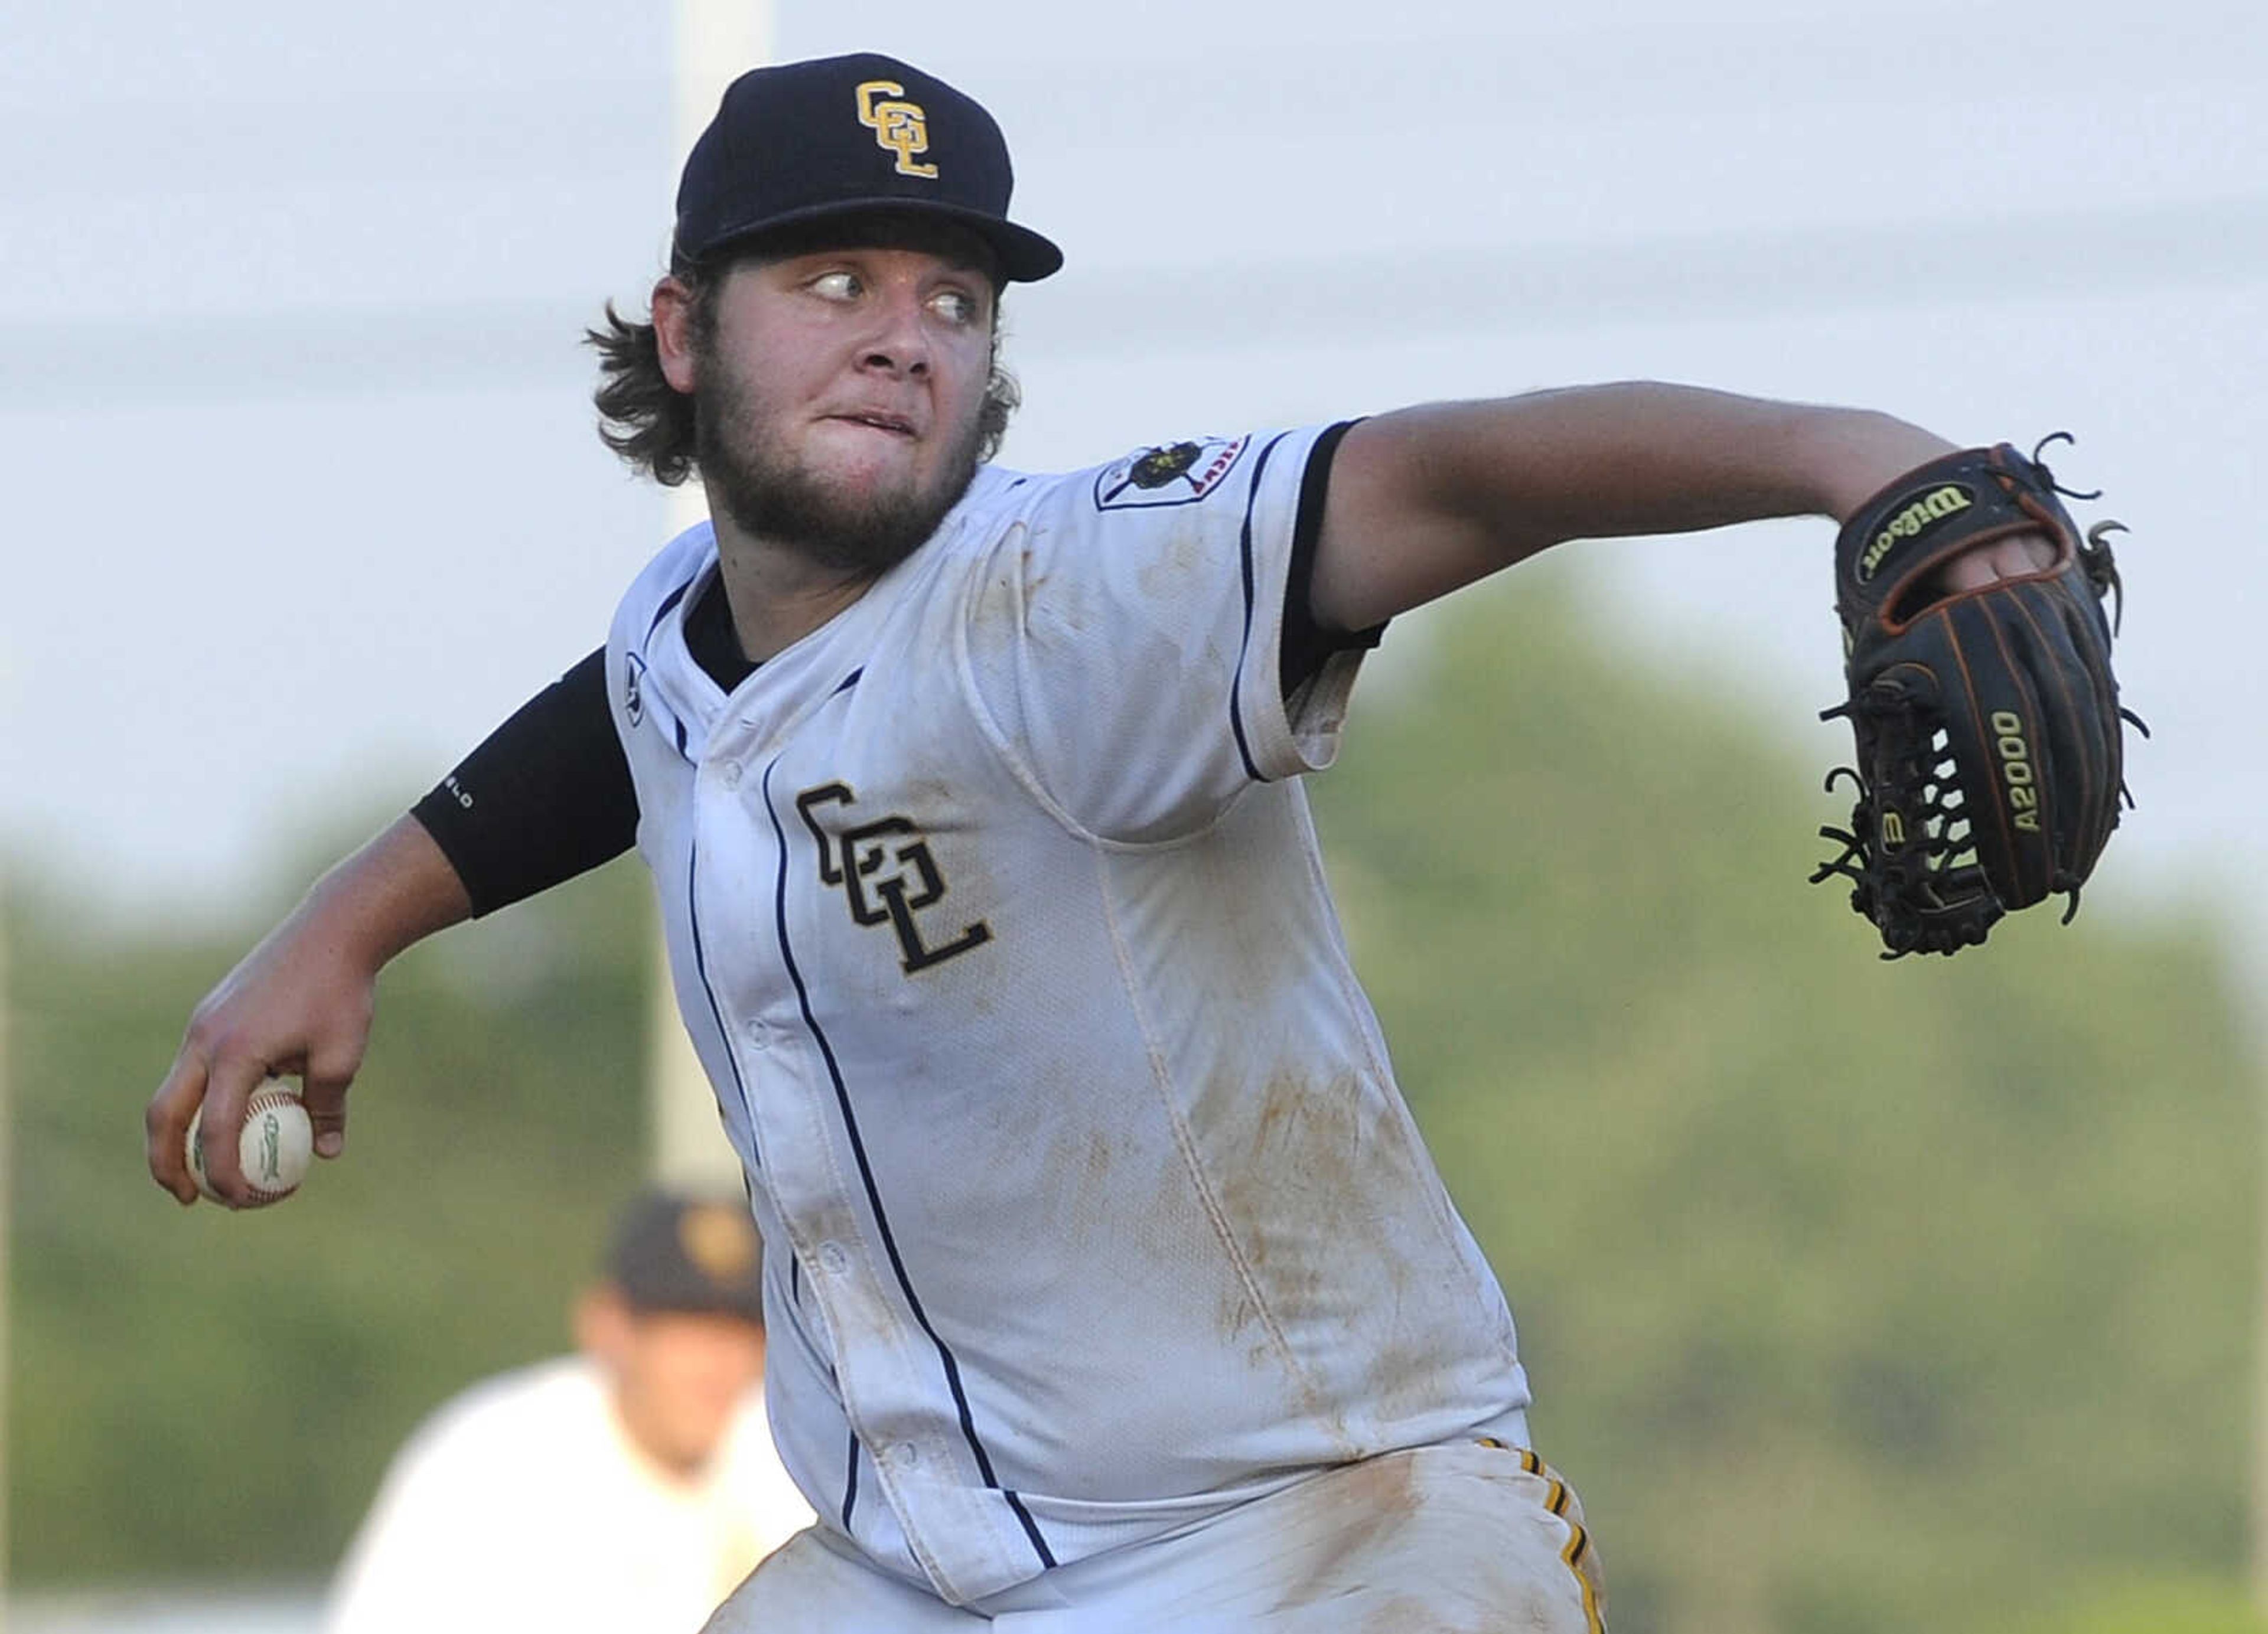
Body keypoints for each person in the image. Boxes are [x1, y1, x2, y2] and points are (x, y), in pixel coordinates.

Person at [148, 51, 2058, 1632]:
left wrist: (1858, 456)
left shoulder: (1078, 593)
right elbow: (627, 716)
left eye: (953, 300)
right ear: (681, 329)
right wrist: (349, 921)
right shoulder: (685, 629)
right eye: (834, 282)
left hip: (1324, 1530)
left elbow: (1449, 474)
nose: (905, 336)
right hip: (909, 1569)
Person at [325, 1190, 813, 1633]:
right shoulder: (488, 1460)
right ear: (609, 1326)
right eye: (688, 1330)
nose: (719, 1365)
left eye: (744, 1332)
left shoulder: (798, 1465)